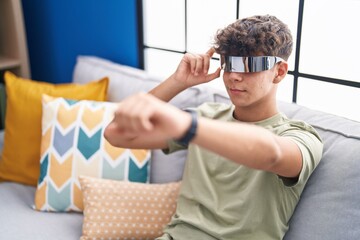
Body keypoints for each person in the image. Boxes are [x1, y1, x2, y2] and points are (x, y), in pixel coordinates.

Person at [104, 15, 323, 240]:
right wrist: (177, 82)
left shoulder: (300, 136)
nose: (234, 76)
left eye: (250, 64)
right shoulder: (206, 117)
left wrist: (186, 126)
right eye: (229, 63)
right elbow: (116, 134)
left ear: (279, 71)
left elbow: (272, 155)